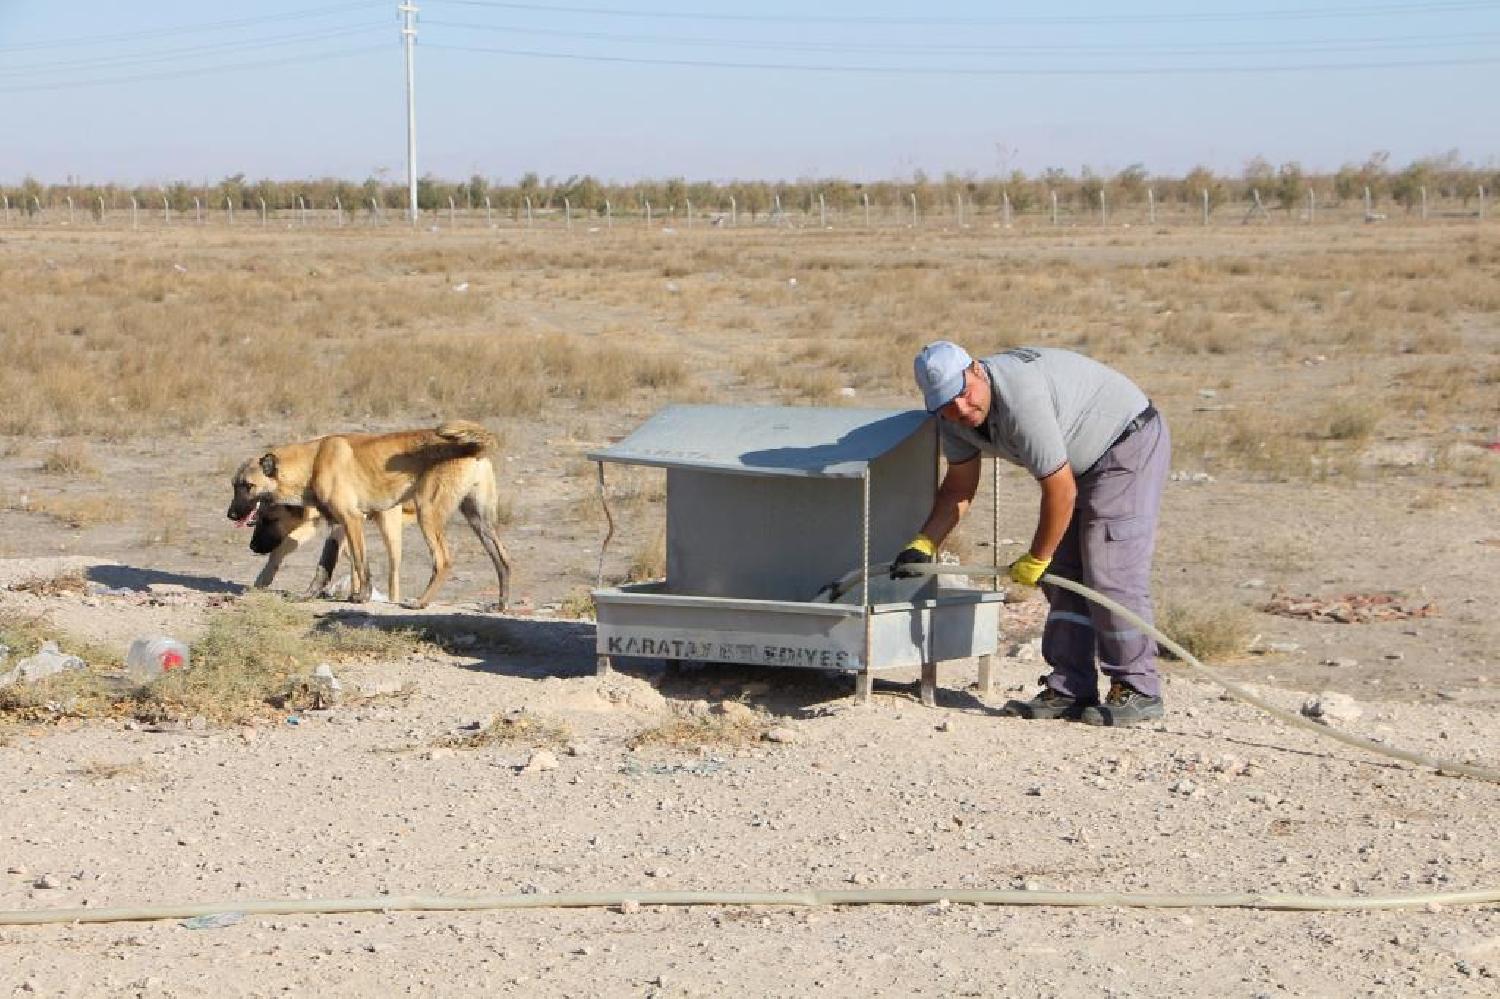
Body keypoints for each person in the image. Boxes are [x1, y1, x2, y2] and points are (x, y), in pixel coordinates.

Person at [892, 341, 1171, 726]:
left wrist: (1037, 557)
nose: (960, 409)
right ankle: (1070, 688)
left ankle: (1138, 688)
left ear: (976, 370)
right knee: (1063, 574)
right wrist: (925, 543)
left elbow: (1060, 491)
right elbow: (958, 487)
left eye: (963, 394)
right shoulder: (952, 420)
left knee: (1109, 569)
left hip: (1126, 443)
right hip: (1079, 462)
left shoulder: (1020, 397)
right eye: (945, 404)